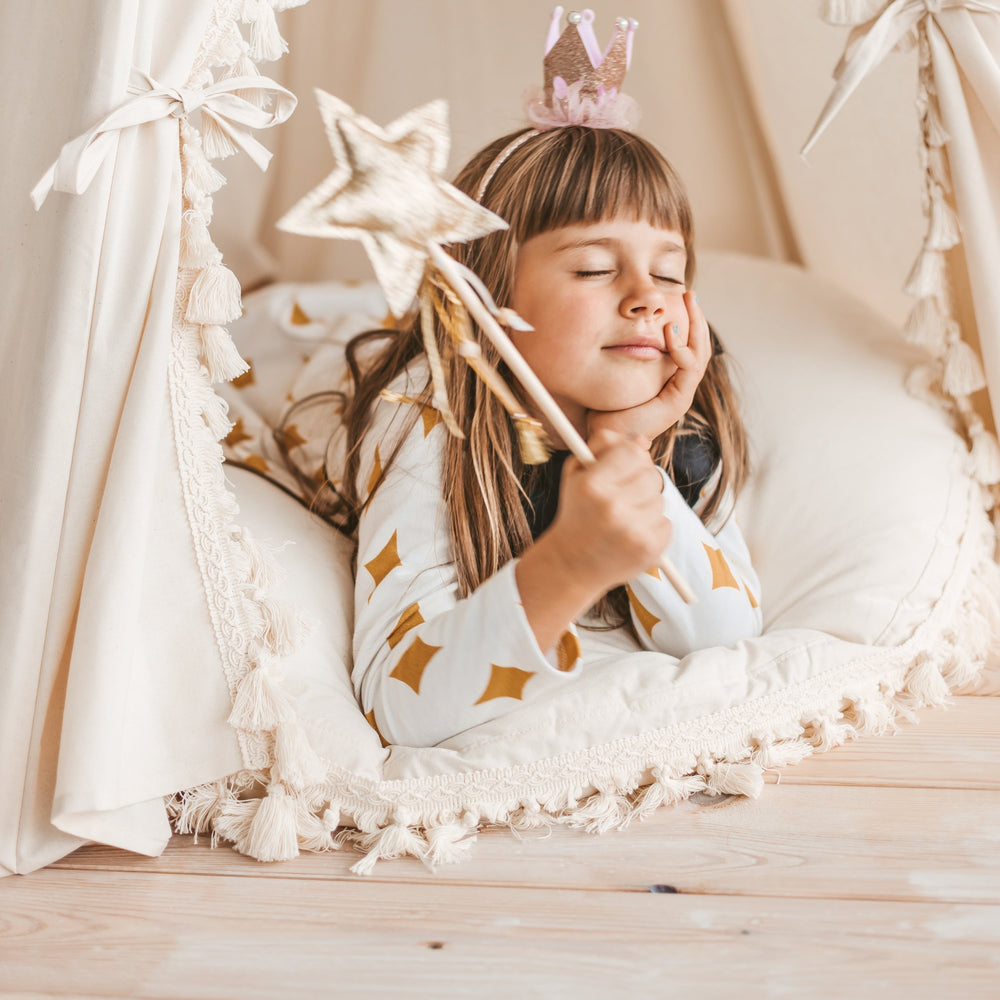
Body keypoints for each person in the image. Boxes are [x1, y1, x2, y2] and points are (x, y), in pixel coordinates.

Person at [318, 122, 763, 749]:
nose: (648, 299)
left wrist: (626, 449)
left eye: (669, 273)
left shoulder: (682, 419)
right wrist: (570, 567)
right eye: (593, 268)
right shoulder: (427, 414)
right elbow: (401, 707)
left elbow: (728, 637)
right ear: (487, 289)